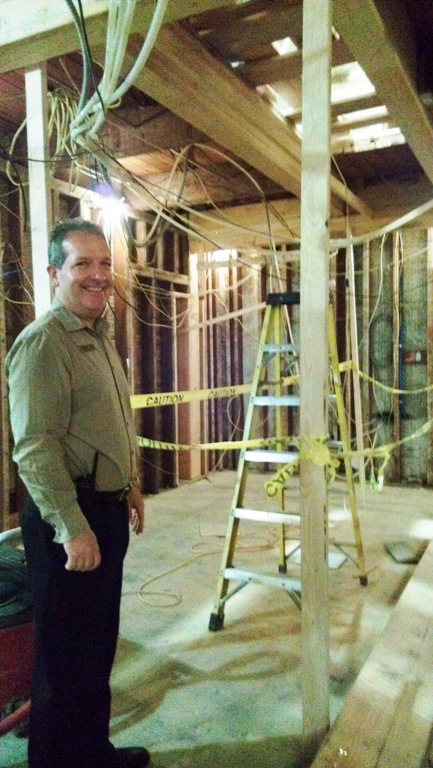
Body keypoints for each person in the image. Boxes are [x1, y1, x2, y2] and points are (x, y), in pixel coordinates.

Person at [6, 218, 151, 768]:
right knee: (63, 660)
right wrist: (73, 528)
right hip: (73, 516)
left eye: (105, 263)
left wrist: (130, 483)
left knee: (95, 648)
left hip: (104, 509)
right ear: (54, 274)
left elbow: (105, 425)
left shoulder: (97, 336)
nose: (98, 275)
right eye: (82, 264)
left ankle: (92, 752)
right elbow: (35, 450)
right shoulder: (44, 344)